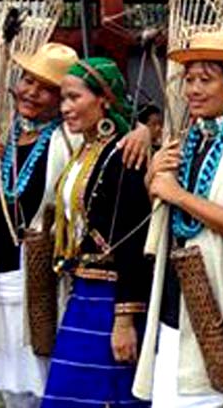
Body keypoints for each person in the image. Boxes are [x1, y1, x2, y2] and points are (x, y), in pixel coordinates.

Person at [0, 43, 150, 408]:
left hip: (47, 281)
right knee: (12, 388)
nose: (33, 92)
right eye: (28, 81)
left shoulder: (72, 138)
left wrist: (141, 131)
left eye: (49, 88)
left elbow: (116, 119)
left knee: (57, 382)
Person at [135, 30, 223, 407]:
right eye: (189, 80)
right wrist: (154, 176)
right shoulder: (186, 140)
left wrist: (177, 194)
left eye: (206, 79)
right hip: (176, 302)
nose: (193, 90)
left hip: (221, 300)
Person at [41, 57, 152, 408]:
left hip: (110, 299)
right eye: (63, 99)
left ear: (103, 99)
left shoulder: (124, 154)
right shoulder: (86, 150)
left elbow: (133, 242)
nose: (65, 107)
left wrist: (124, 320)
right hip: (83, 294)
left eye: (74, 98)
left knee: (108, 393)